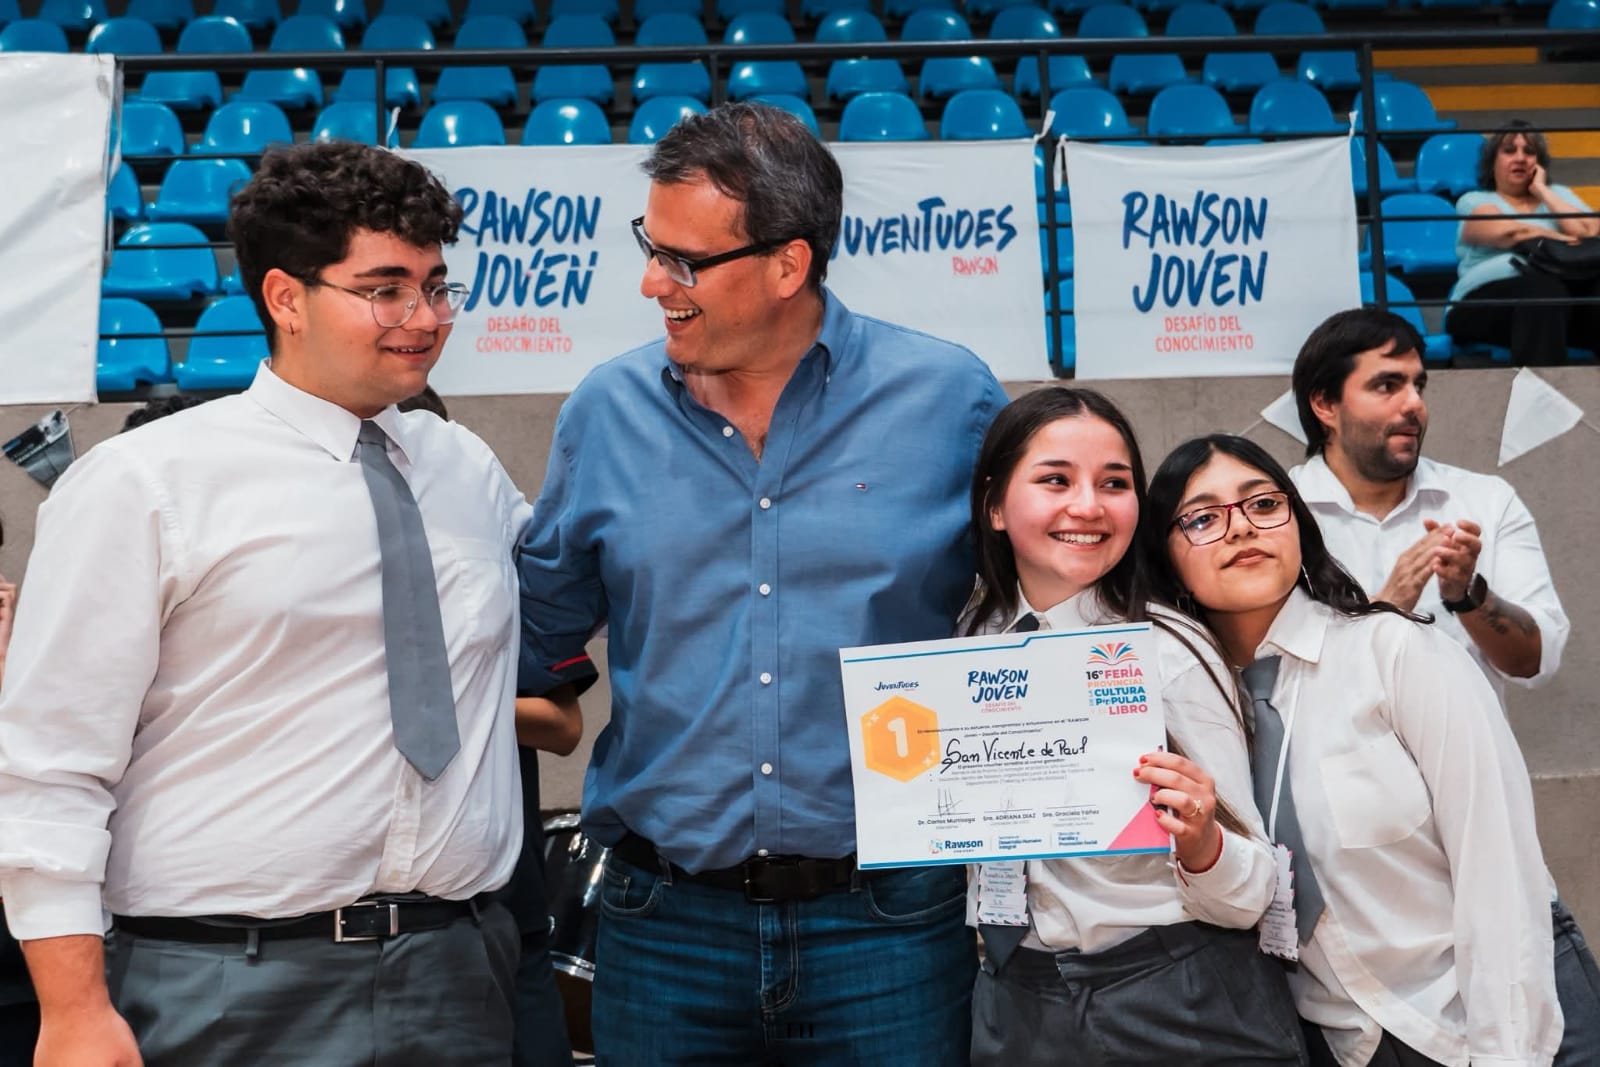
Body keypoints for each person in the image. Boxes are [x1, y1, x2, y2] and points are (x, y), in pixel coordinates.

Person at [0, 141, 574, 1066]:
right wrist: (72, 1007)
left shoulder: (466, 469)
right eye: (384, 288)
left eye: (436, 285)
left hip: (460, 973)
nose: (422, 317)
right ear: (284, 296)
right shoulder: (143, 482)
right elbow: (50, 763)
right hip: (224, 983)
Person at [515, 101, 1009, 1064]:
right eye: (650, 247)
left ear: (790, 264)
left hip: (893, 921)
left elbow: (1026, 615)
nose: (652, 281)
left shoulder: (951, 401)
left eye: (685, 261)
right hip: (662, 922)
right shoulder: (604, 413)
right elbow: (538, 633)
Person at [1147, 433, 1561, 1066]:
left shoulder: (1394, 654)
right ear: (1166, 559)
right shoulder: (1188, 708)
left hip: (1467, 1025)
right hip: (1332, 1043)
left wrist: (1507, 1053)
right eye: (1203, 518)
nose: (1240, 529)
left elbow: (1498, 870)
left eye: (1263, 504)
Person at [1287, 306, 1598, 1064]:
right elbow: (1279, 686)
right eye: (1386, 384)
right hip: (1369, 911)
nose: (1414, 403)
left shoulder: (1481, 501)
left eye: (1419, 383)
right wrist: (1385, 609)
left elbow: (1534, 658)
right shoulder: (1274, 518)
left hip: (1505, 878)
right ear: (1325, 404)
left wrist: (1468, 595)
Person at [964, 388, 1304, 1066]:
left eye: (1114, 483)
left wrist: (1204, 841)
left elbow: (1252, 890)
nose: (1088, 505)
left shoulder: (1167, 650)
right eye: (1056, 479)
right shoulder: (974, 637)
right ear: (997, 504)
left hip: (1174, 996)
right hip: (1015, 998)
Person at [398, 382, 583, 1067]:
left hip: (504, 903)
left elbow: (562, 726)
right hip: (358, 927)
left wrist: (452, 701)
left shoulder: (496, 572)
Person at [1444, 120, 1600, 365]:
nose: (1520, 158)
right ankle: (1539, 397)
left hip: (1560, 304)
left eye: (1529, 152)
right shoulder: (1475, 199)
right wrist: (1563, 240)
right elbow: (1509, 233)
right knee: (1543, 291)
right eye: (1509, 150)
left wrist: (1542, 190)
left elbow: (1590, 232)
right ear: (1491, 162)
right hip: (1482, 303)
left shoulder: (1558, 195)